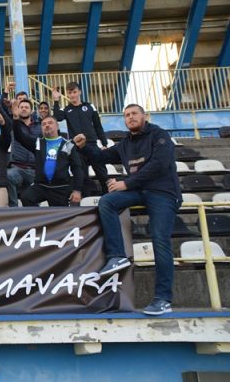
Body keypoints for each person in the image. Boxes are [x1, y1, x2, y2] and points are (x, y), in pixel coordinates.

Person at [74, 104, 182, 316]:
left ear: (144, 116)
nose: (130, 118)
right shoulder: (126, 144)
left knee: (160, 240)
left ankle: (163, 299)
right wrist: (85, 146)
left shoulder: (159, 135)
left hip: (163, 192)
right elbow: (101, 157)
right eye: (126, 115)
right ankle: (117, 256)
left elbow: (159, 165)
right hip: (139, 190)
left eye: (134, 114)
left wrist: (127, 183)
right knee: (107, 201)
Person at [12, 115, 83, 206]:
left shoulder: (68, 145)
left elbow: (77, 169)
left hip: (60, 188)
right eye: (44, 124)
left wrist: (77, 190)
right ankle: (38, 220)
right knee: (26, 197)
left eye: (50, 123)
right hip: (41, 186)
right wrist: (16, 119)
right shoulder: (38, 143)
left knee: (59, 218)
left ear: (57, 126)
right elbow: (19, 136)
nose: (47, 125)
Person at [53, 82, 109, 193]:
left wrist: (104, 144)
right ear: (67, 95)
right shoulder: (66, 109)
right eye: (70, 93)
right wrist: (56, 100)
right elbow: (57, 117)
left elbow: (98, 126)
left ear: (79, 92)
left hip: (92, 144)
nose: (73, 95)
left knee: (102, 173)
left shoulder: (89, 106)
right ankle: (86, 199)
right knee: (82, 176)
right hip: (77, 147)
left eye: (74, 92)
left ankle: (108, 195)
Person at [6, 99, 42, 207]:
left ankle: (35, 217)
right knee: (8, 176)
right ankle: (13, 209)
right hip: (17, 167)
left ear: (31, 111)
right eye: (21, 107)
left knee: (33, 201)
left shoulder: (40, 127)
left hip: (34, 169)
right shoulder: (13, 124)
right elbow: (0, 110)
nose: (24, 109)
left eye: (26, 107)